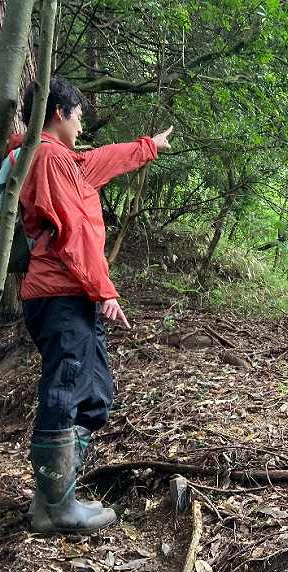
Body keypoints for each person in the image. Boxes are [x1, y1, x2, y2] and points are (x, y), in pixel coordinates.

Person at [17, 76, 172, 533]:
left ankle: (51, 498)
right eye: (79, 114)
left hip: (69, 295)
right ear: (60, 113)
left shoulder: (61, 159)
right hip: (61, 293)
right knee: (66, 390)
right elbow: (76, 230)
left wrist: (147, 147)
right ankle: (57, 508)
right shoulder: (46, 157)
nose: (83, 123)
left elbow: (97, 163)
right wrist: (105, 290)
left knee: (93, 393)